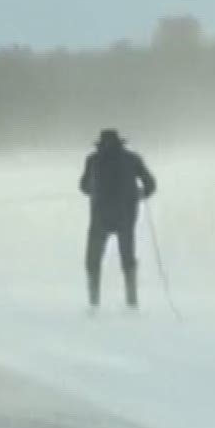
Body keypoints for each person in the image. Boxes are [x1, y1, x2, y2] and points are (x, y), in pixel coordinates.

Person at [79, 128, 156, 309]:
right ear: (120, 143)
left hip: (99, 218)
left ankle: (94, 303)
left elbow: (83, 186)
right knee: (128, 259)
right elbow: (150, 184)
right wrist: (140, 193)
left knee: (93, 261)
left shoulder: (93, 160)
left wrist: (94, 190)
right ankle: (131, 301)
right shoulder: (132, 159)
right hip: (126, 217)